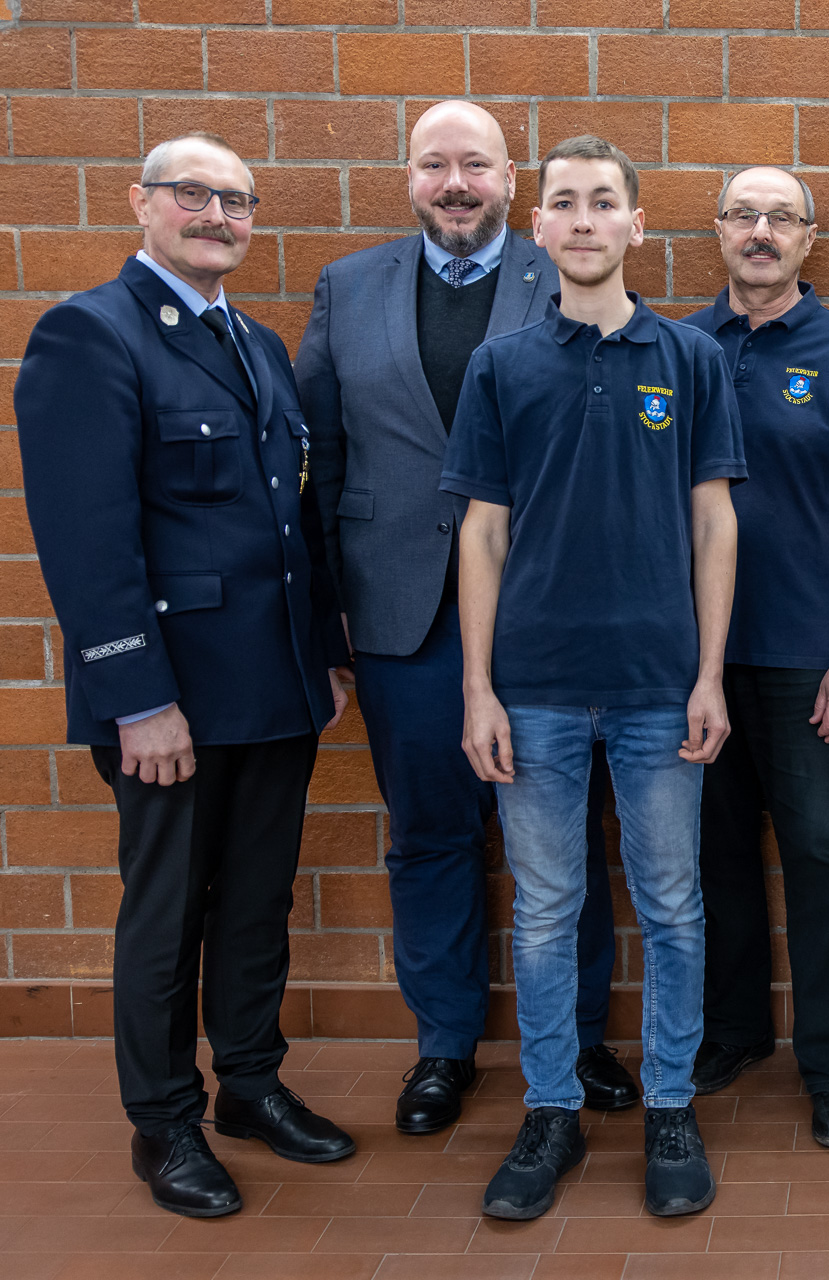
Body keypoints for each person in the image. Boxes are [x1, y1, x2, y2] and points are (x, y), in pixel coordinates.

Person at [16, 131, 356, 1217]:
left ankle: (249, 1082)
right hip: (171, 698)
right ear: (142, 203)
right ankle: (163, 1120)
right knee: (167, 909)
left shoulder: (256, 342)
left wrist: (326, 653)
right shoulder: (92, 334)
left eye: (238, 201)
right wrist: (137, 697)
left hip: (274, 685)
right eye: (195, 195)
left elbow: (290, 519)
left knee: (257, 900)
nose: (218, 215)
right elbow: (86, 540)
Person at [296, 99, 637, 1138]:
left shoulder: (567, 279)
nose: (455, 183)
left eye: (476, 166)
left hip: (544, 614)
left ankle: (575, 1036)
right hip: (400, 616)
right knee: (432, 835)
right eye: (435, 165)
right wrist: (326, 626)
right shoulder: (349, 287)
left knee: (560, 839)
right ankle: (444, 1041)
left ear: (510, 181)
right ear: (408, 178)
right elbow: (319, 463)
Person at [440, 135, 746, 1219]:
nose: (581, 219)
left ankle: (669, 1103)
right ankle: (552, 1109)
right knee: (547, 906)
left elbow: (715, 522)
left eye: (602, 202)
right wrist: (479, 688)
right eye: (562, 202)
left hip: (664, 682)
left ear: (635, 226)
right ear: (541, 227)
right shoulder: (502, 366)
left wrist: (710, 673)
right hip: (537, 686)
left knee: (671, 902)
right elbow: (482, 534)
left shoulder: (692, 358)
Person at [681, 165, 829, 1148]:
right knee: (711, 858)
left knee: (824, 861)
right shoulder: (678, 347)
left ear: (810, 239)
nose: (760, 231)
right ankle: (731, 1032)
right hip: (696, 661)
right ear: (719, 231)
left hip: (810, 659)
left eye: (781, 218)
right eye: (743, 214)